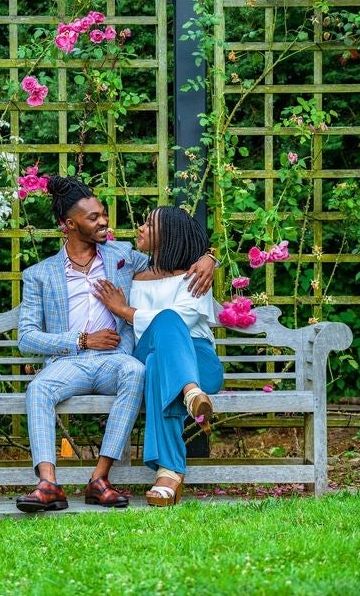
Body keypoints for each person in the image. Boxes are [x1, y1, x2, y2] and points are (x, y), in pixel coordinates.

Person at [16, 176, 217, 512]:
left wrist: (211, 257)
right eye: (93, 217)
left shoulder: (122, 255)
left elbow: (176, 248)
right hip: (70, 362)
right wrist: (80, 340)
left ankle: (100, 478)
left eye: (103, 214)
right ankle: (48, 484)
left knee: (140, 371)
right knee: (38, 389)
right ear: (69, 225)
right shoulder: (39, 274)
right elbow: (26, 337)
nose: (104, 222)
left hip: (116, 359)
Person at [94, 205, 224, 507]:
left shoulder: (195, 275)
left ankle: (169, 472)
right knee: (160, 336)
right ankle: (190, 394)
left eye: (149, 225)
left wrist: (124, 311)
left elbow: (186, 318)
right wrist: (211, 255)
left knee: (157, 365)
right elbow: (97, 244)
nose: (140, 228)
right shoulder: (134, 272)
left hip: (198, 359)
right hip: (149, 348)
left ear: (168, 236)